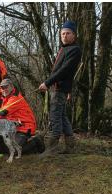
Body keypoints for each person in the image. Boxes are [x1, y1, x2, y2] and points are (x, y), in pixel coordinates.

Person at [39, 21, 82, 156]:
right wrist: (49, 83)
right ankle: (71, 147)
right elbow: (60, 71)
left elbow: (65, 71)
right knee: (62, 117)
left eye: (68, 33)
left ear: (74, 35)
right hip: (58, 88)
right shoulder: (64, 49)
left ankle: (52, 149)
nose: (64, 36)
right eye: (63, 33)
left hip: (60, 88)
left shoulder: (75, 50)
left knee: (55, 116)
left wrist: (47, 82)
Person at [0, 79, 45, 155]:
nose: (4, 90)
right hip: (13, 128)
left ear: (11, 86)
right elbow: (0, 117)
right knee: (0, 147)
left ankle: (35, 141)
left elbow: (2, 113)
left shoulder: (15, 98)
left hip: (24, 127)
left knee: (15, 150)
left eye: (6, 87)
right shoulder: (6, 99)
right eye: (2, 88)